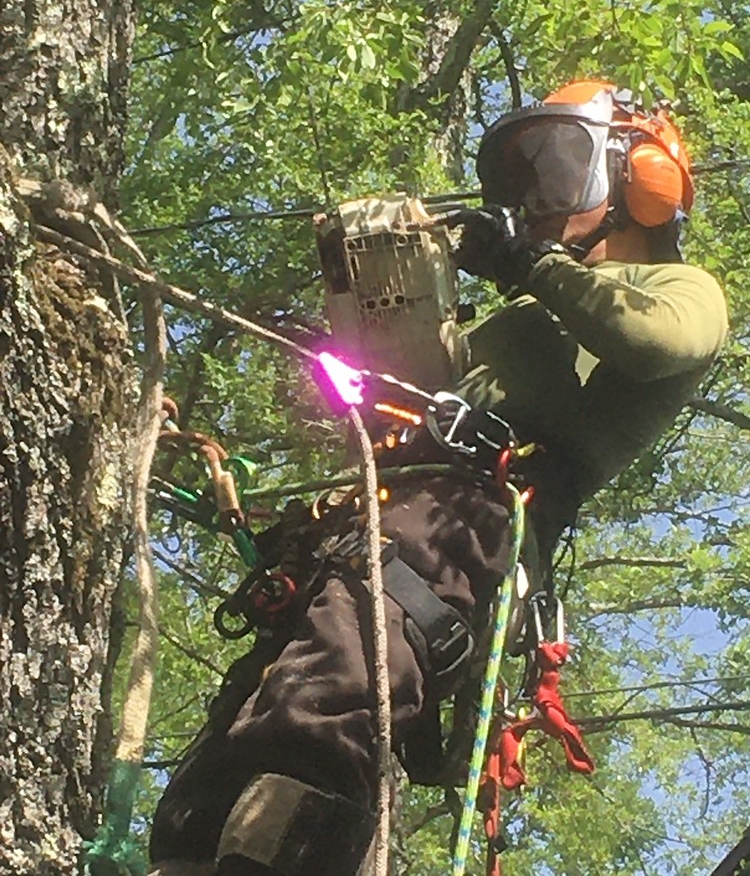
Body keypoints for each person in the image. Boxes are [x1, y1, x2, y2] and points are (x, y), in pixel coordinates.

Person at [147, 80, 728, 876]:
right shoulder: (515, 323)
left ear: (643, 179)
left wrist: (531, 264)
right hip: (382, 508)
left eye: (559, 173)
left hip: (475, 513)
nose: (536, 202)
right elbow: (408, 393)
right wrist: (328, 352)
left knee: (338, 681)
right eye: (523, 186)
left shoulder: (680, 290)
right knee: (245, 720)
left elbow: (655, 343)